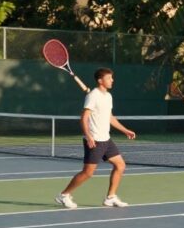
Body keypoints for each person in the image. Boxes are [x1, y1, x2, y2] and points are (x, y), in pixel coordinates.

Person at [55, 68, 137, 209]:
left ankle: (110, 197)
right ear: (100, 80)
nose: (112, 80)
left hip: (106, 139)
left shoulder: (108, 96)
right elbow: (84, 117)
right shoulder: (93, 96)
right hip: (95, 140)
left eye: (112, 78)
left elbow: (110, 117)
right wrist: (88, 136)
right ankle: (64, 195)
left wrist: (125, 130)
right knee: (88, 173)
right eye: (109, 78)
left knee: (120, 165)